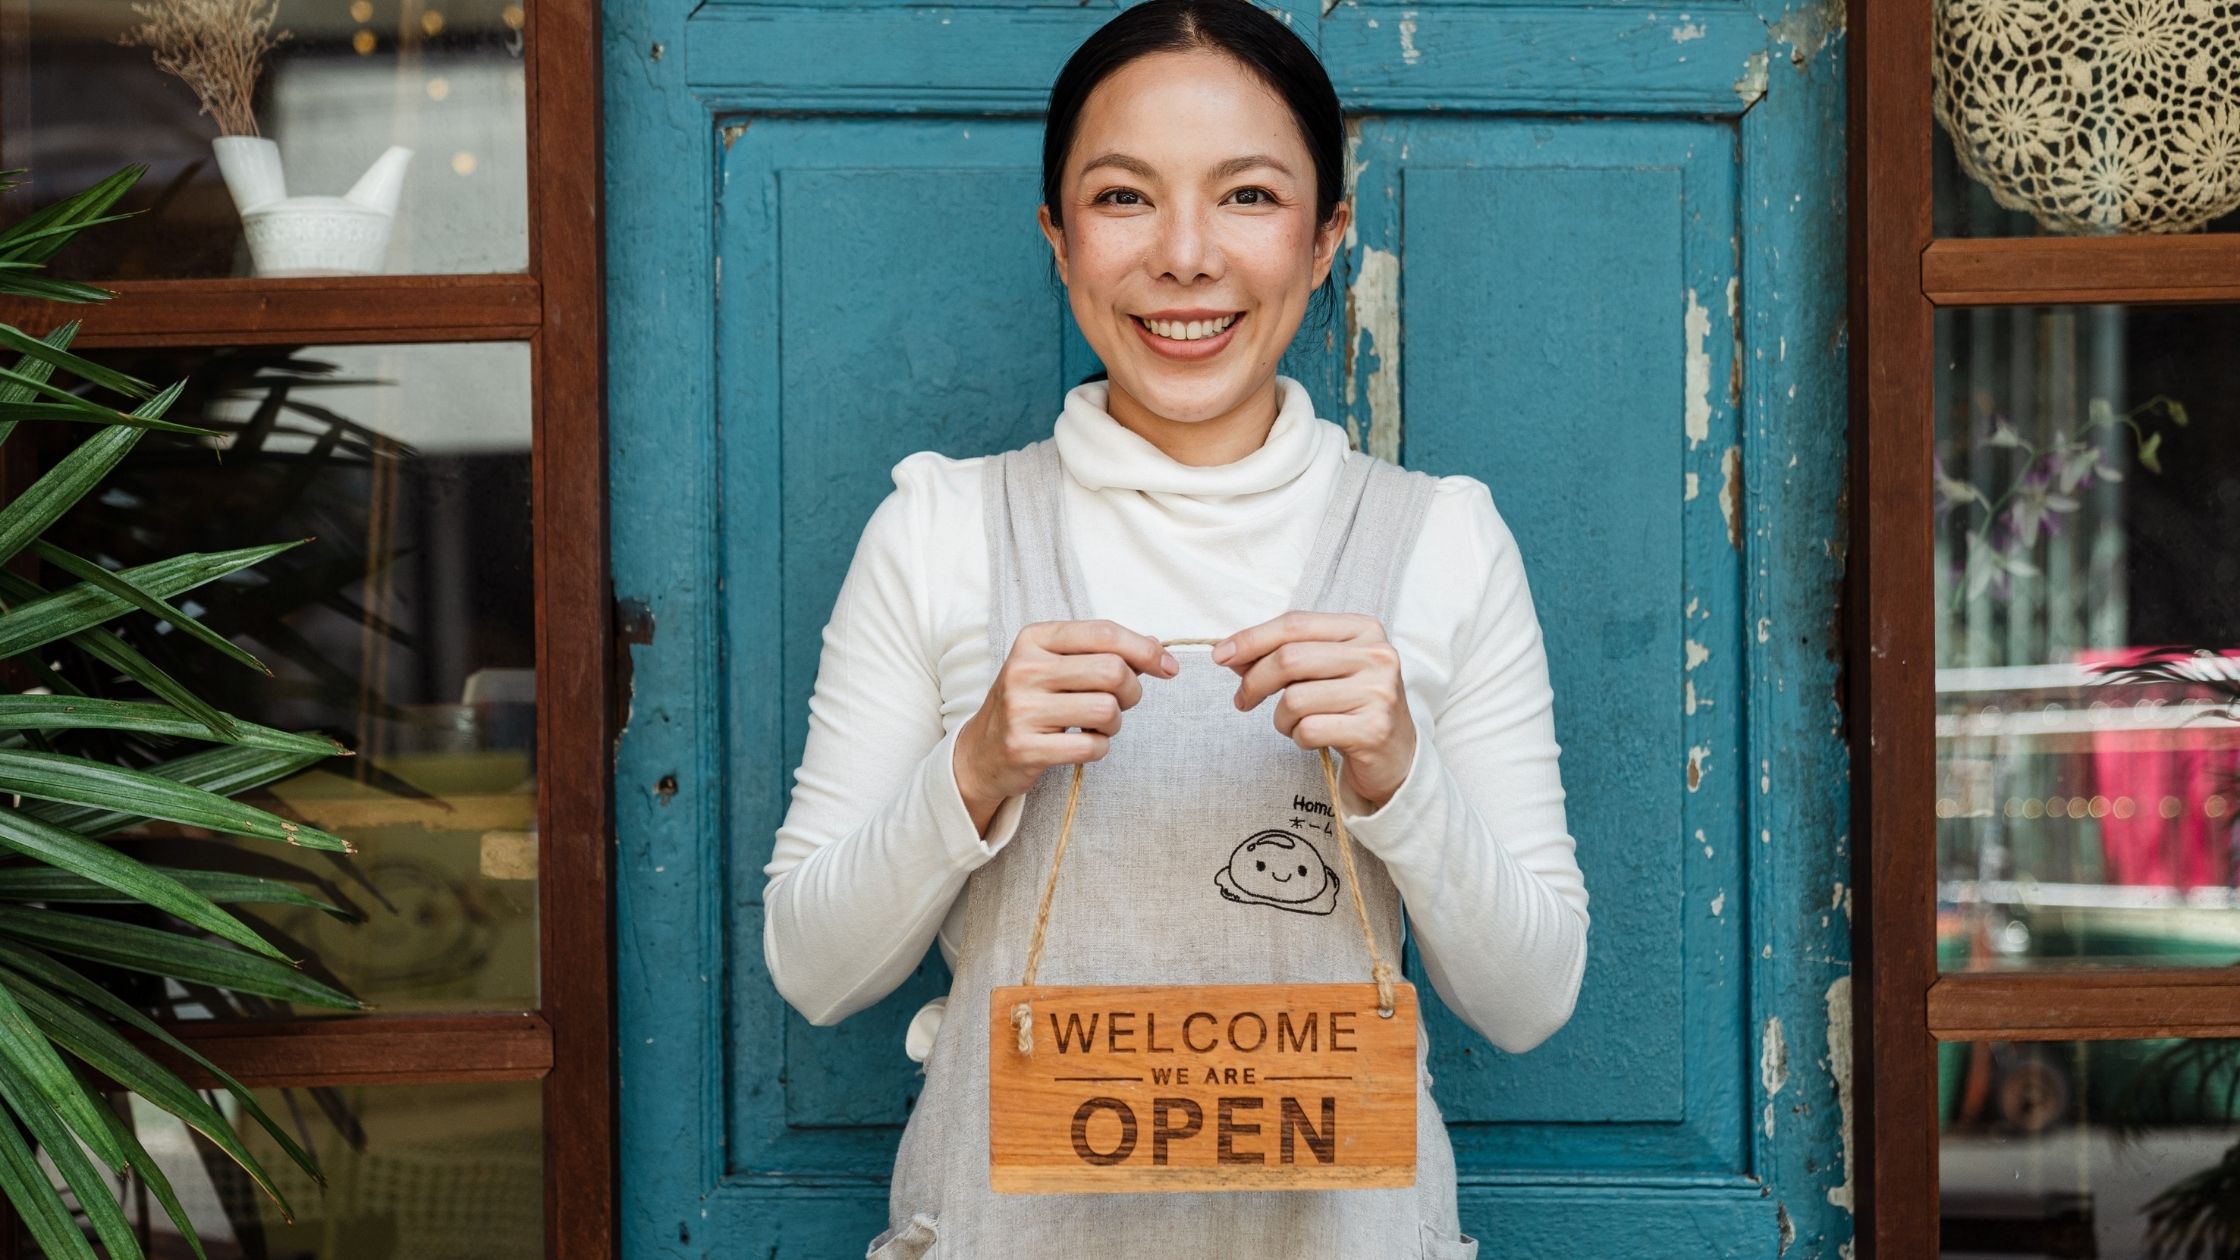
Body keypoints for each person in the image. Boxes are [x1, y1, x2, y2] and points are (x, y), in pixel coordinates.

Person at [761, 1, 1590, 1254]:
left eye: (1249, 196)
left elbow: (1528, 1003)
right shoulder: (938, 531)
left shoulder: (1440, 541)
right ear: (1056, 236)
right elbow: (812, 971)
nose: (1187, 255)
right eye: (1123, 197)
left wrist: (1401, 773)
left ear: (1325, 239)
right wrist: (975, 766)